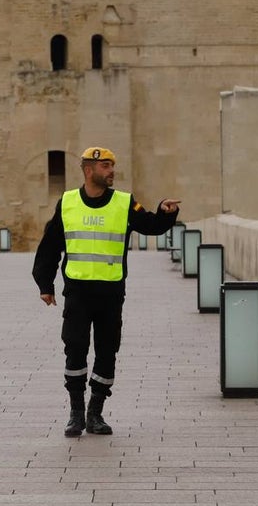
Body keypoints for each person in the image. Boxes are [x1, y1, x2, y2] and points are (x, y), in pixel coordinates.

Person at [32, 146, 179, 437]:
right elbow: (50, 244)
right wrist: (45, 284)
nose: (111, 171)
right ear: (89, 170)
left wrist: (165, 213)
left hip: (110, 293)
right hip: (77, 290)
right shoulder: (69, 202)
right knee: (74, 348)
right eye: (105, 167)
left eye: (112, 166)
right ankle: (75, 412)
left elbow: (149, 225)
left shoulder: (124, 203)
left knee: (107, 350)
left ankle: (95, 413)